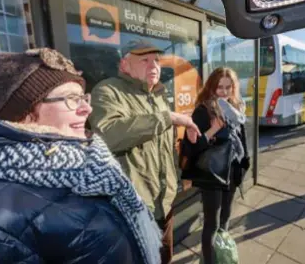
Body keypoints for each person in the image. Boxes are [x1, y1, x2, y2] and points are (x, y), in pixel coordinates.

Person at [0, 48, 162, 264]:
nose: (86, 109)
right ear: (23, 112)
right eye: (71, 99)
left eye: (83, 97)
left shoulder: (87, 161)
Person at [88, 39, 200, 264]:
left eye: (157, 60)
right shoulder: (108, 90)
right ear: (124, 65)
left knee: (164, 257)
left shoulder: (158, 94)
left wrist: (177, 180)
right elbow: (108, 135)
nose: (154, 66)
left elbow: (164, 150)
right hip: (134, 209)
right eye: (145, 60)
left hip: (165, 202)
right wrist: (167, 117)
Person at [181, 67, 250, 264]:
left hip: (233, 171)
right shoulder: (203, 111)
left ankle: (220, 255)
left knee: (225, 220)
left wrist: (244, 165)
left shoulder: (237, 107)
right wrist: (213, 129)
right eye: (219, 87)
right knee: (211, 224)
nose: (224, 92)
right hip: (213, 174)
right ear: (211, 87)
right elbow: (191, 149)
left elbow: (241, 140)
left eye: (229, 87)